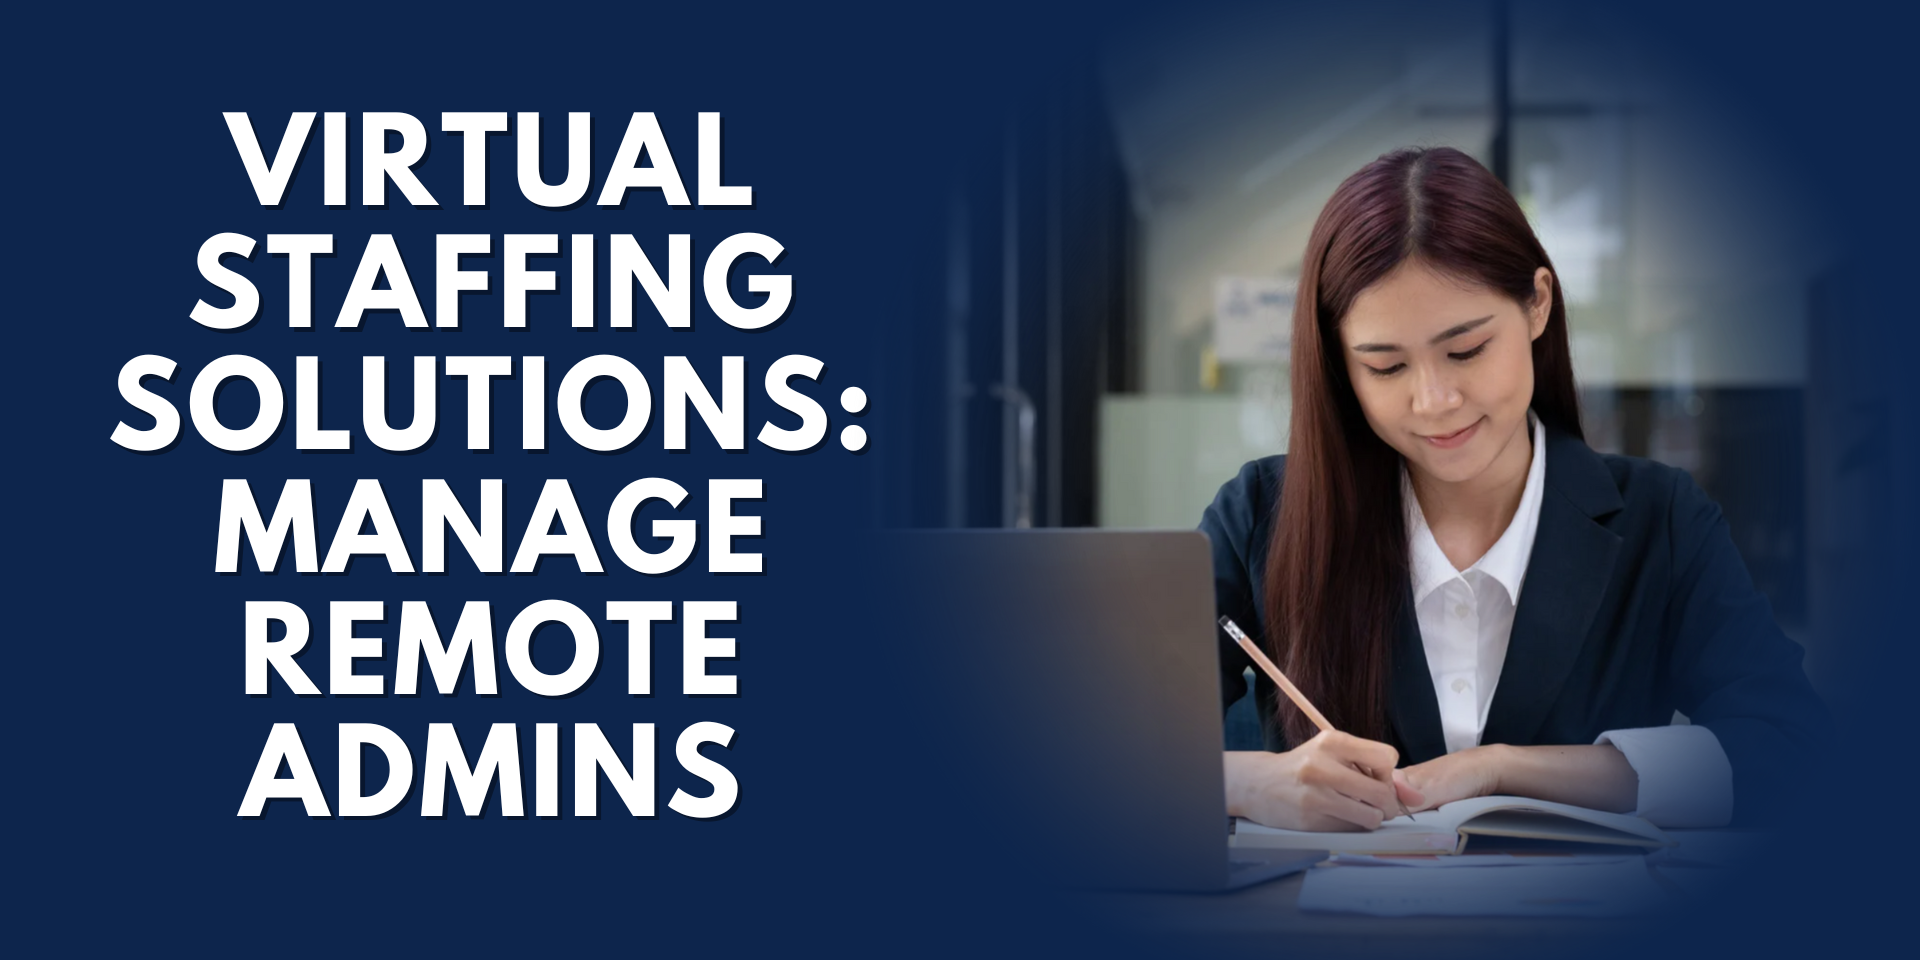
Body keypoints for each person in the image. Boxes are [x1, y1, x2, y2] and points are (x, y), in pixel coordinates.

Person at [1201, 146, 1827, 833]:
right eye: (1385, 367)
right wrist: (1248, 781)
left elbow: (1790, 749)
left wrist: (1502, 769)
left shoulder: (1661, 520)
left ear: (1537, 304)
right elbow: (1093, 752)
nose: (1434, 400)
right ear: (1340, 366)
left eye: (1466, 350)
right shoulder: (1265, 514)